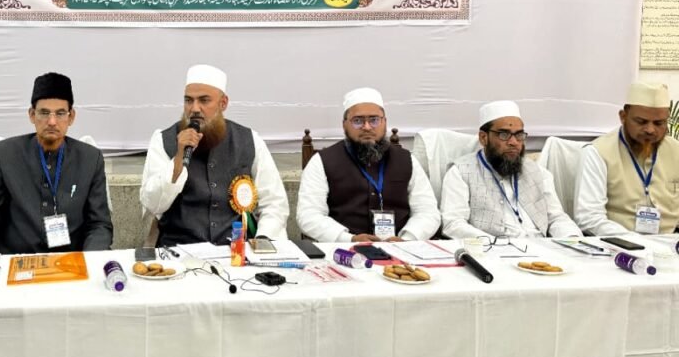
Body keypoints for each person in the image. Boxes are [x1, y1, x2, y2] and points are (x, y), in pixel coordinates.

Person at [0, 72, 112, 259]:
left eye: (60, 113)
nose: (52, 122)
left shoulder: (90, 158)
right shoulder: (5, 154)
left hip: (71, 262)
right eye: (44, 113)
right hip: (17, 261)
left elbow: (99, 225)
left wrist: (89, 262)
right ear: (32, 115)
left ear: (71, 117)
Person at [140, 64, 289, 246]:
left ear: (223, 103)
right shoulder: (163, 140)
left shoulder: (249, 140)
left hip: (237, 252)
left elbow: (274, 202)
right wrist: (178, 159)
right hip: (179, 251)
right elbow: (152, 204)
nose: (194, 108)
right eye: (188, 100)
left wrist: (262, 241)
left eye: (204, 100)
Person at [297, 88, 439, 242]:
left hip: (402, 248)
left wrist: (407, 239)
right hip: (343, 249)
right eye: (357, 121)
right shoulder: (322, 161)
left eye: (374, 120)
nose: (367, 127)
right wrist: (348, 239)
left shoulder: (407, 160)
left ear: (384, 122)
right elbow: (309, 215)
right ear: (344, 125)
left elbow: (427, 211)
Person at [441, 100, 581, 239]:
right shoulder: (461, 172)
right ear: (483, 138)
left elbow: (556, 218)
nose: (514, 142)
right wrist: (494, 243)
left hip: (541, 246)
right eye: (504, 135)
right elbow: (453, 224)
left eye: (519, 135)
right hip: (492, 248)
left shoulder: (538, 172)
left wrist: (573, 239)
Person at [574, 82, 679, 235]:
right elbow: (589, 217)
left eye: (659, 123)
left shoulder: (676, 150)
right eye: (641, 122)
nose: (650, 130)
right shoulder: (598, 152)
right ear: (623, 117)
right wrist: (632, 240)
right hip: (618, 243)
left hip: (670, 243)